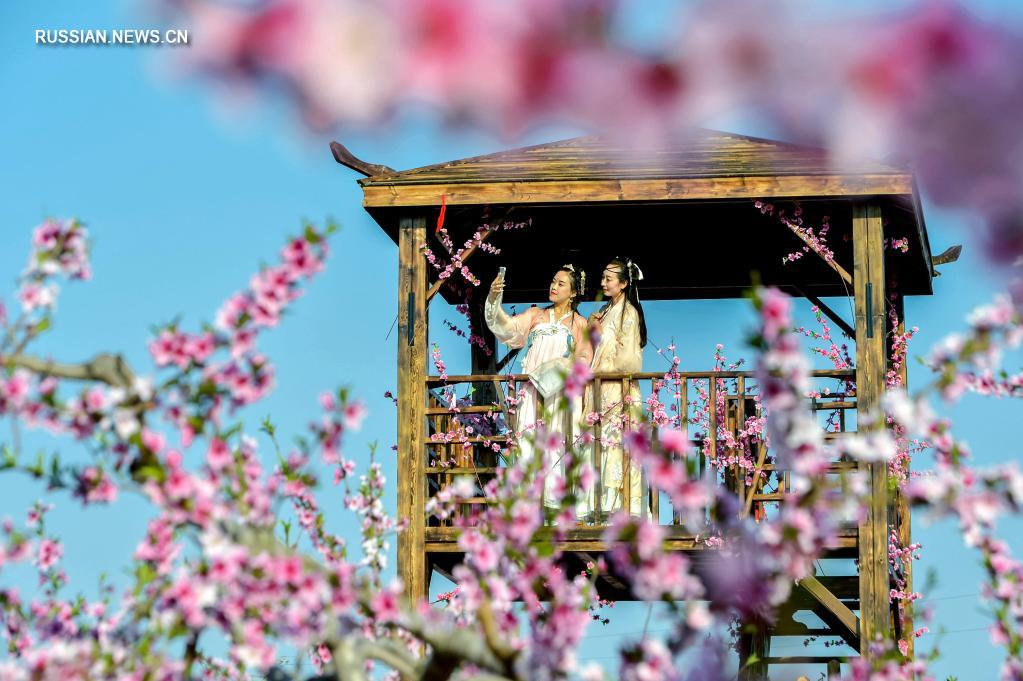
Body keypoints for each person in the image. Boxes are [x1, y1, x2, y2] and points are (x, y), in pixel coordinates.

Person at [484, 265, 592, 511]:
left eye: (561, 283)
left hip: (563, 390)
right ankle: (528, 502)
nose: (554, 287)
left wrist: (563, 368)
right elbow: (507, 329)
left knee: (560, 439)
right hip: (533, 388)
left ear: (574, 293)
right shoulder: (535, 315)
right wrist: (493, 298)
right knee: (528, 437)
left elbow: (585, 357)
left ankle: (557, 502)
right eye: (553, 281)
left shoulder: (580, 324)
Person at [585, 256, 648, 518]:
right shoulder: (606, 312)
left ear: (623, 283)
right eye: (603, 278)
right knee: (601, 445)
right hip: (601, 389)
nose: (603, 282)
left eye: (608, 278)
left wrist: (598, 372)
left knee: (617, 446)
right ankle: (600, 507)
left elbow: (628, 361)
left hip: (618, 389)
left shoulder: (628, 314)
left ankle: (619, 510)